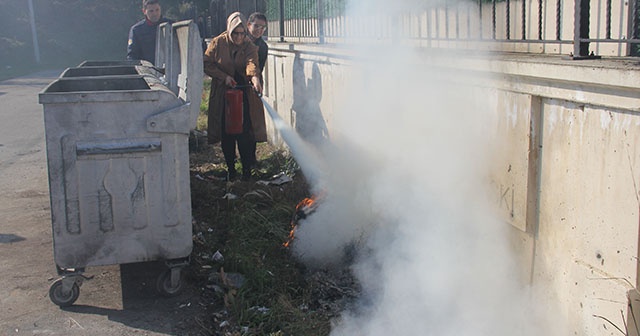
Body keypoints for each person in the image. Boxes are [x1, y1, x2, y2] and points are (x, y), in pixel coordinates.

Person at [203, 12, 265, 181]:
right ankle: (231, 169)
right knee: (226, 133)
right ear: (229, 30)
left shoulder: (249, 46)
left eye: (242, 33)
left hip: (244, 94)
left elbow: (252, 64)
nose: (238, 37)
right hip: (223, 95)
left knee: (245, 134)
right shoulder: (218, 43)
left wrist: (255, 79)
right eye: (235, 33)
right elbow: (207, 64)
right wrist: (224, 77)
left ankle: (247, 171)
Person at [245, 12, 269, 170]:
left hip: (254, 87)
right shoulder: (240, 40)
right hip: (237, 86)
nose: (259, 30)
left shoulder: (263, 47)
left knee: (251, 124)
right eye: (256, 26)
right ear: (248, 25)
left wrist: (256, 83)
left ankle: (251, 160)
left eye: (263, 28)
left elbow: (258, 69)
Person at [127, 0, 173, 65]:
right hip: (147, 71)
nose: (155, 14)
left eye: (157, 10)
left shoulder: (171, 26)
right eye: (151, 11)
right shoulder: (136, 30)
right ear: (144, 11)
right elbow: (132, 56)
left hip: (169, 69)